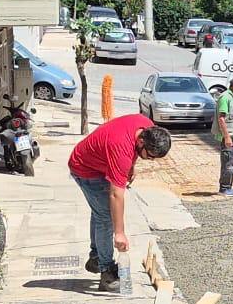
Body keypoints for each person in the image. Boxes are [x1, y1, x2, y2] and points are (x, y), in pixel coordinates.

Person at [69, 114, 171, 293]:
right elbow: (117, 195)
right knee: (105, 217)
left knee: (99, 212)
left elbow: (132, 154)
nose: (151, 160)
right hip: (85, 168)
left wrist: (131, 166)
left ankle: (96, 257)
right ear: (141, 142)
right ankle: (106, 271)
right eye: (150, 156)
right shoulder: (121, 150)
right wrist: (120, 233)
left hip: (99, 162)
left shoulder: (145, 125)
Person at [214, 74, 233, 197]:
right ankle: (224, 188)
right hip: (228, 137)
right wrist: (226, 137)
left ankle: (228, 187)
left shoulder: (232, 97)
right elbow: (221, 119)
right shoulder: (225, 97)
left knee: (231, 162)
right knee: (228, 163)